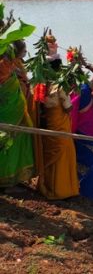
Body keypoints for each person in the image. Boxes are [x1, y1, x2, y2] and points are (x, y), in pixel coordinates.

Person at [35, 34, 79, 200]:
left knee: (50, 154)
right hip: (60, 125)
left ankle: (46, 186)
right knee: (63, 155)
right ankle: (61, 190)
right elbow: (68, 107)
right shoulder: (59, 86)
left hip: (49, 124)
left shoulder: (40, 85)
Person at [67, 48, 93, 200]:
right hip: (86, 131)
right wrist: (86, 64)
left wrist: (80, 64)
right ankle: (90, 191)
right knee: (91, 159)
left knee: (86, 160)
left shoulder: (75, 91)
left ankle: (82, 189)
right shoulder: (83, 89)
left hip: (80, 131)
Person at [0, 41, 34, 189]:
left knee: (15, 142)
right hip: (8, 110)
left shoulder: (13, 66)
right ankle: (4, 178)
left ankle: (13, 176)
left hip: (16, 109)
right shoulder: (4, 66)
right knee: (6, 142)